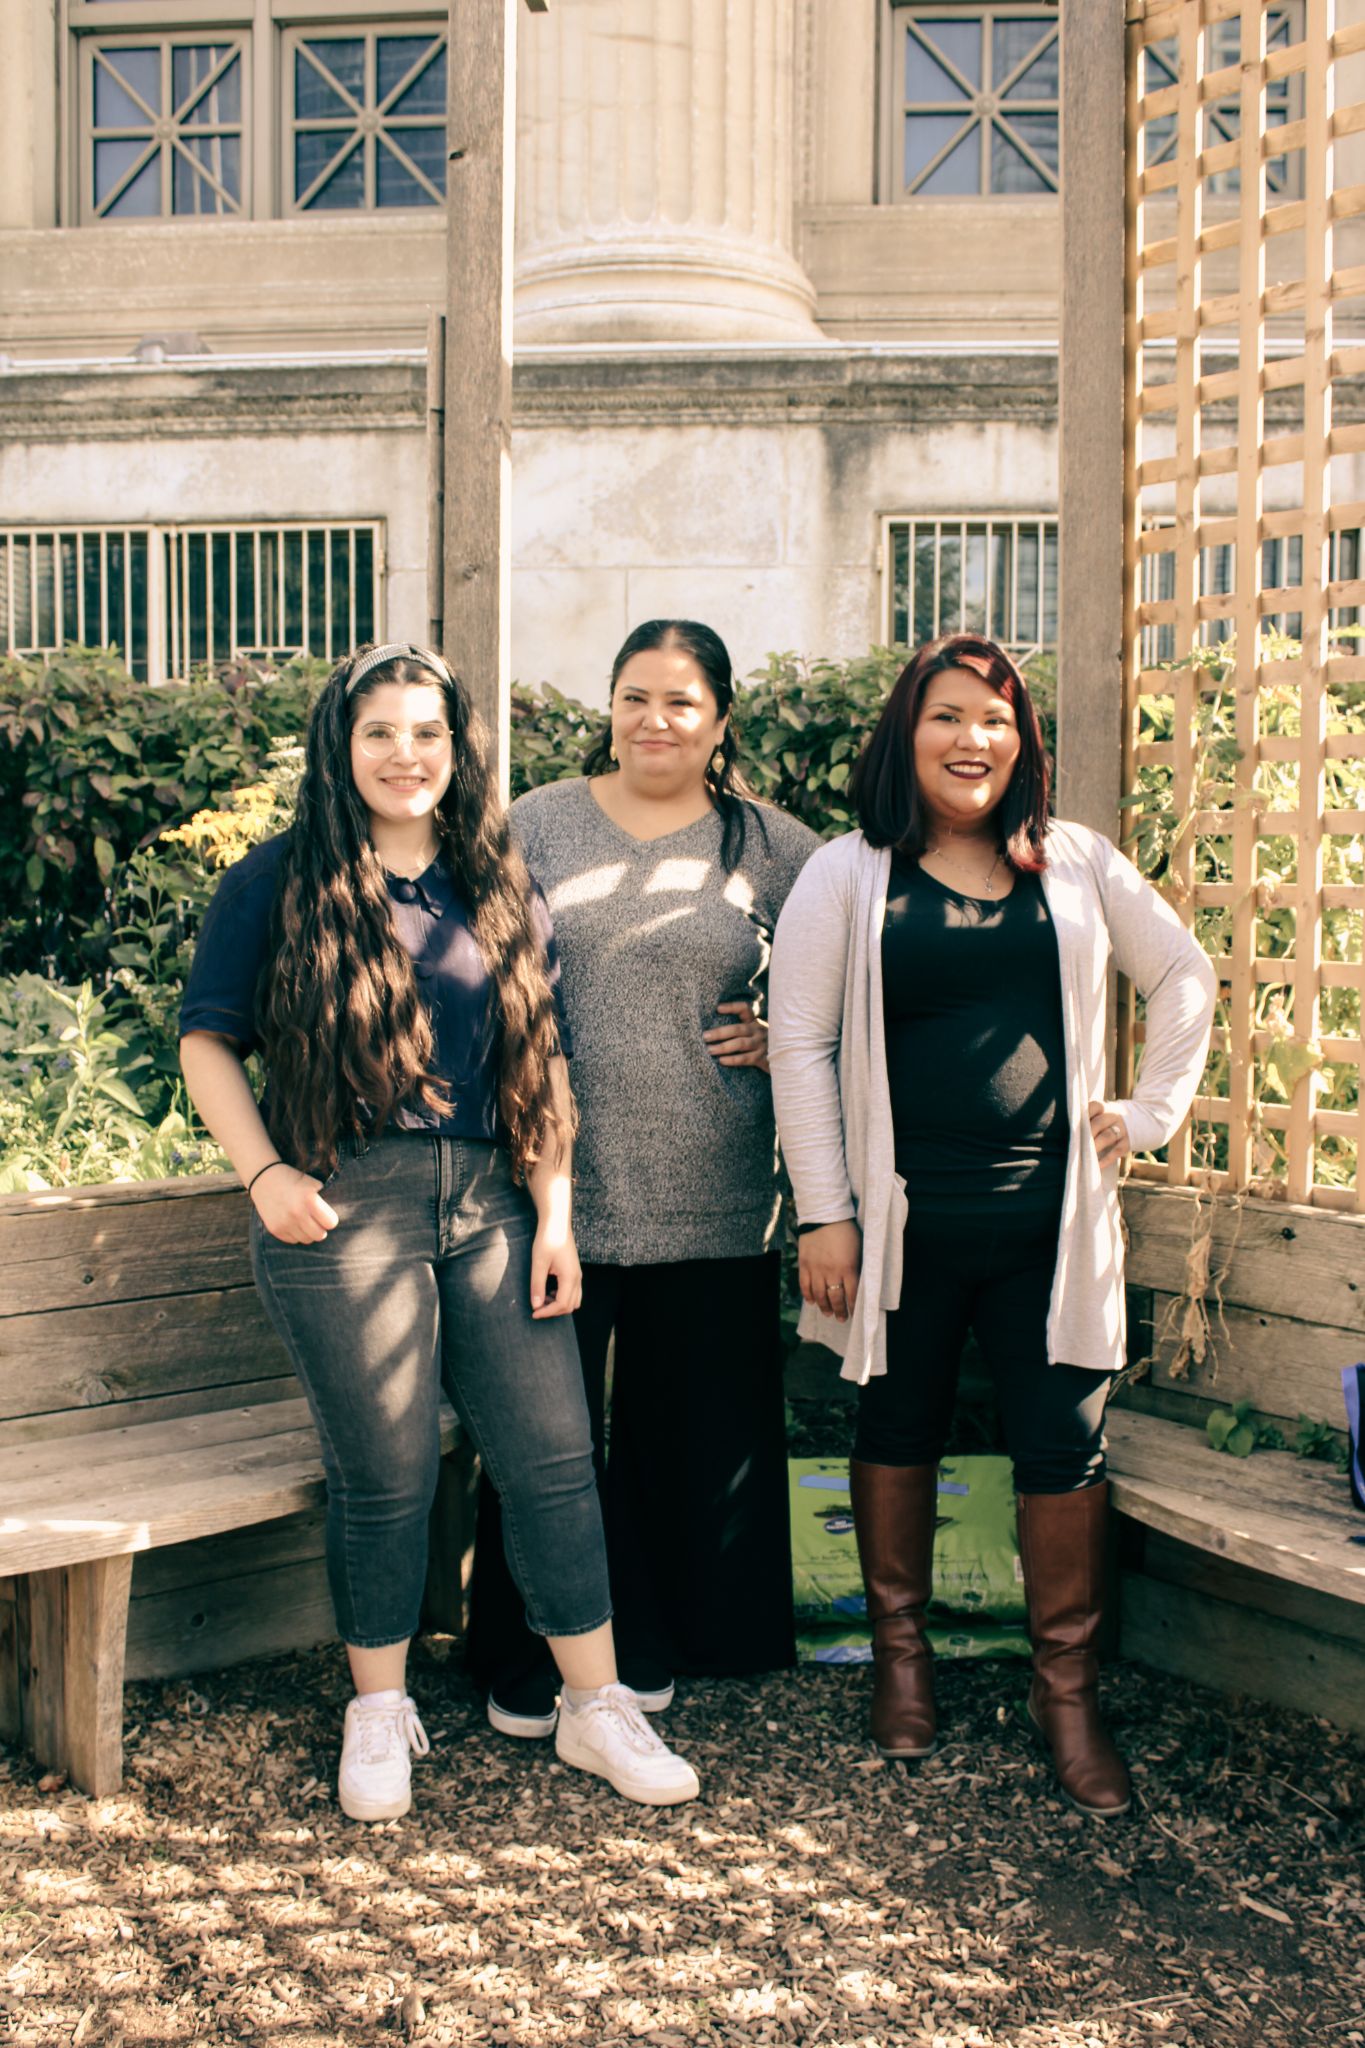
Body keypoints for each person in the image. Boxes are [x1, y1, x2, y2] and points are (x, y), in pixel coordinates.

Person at [179, 642, 701, 1821]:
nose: (405, 755)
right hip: (345, 1201)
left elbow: (540, 1056)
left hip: (494, 1205)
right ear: (341, 746)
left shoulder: (495, 880)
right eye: (380, 733)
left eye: (428, 732)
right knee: (389, 1472)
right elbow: (206, 1037)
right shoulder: (276, 881)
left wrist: (556, 1214)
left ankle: (594, 1704)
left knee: (555, 1457)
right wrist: (261, 1170)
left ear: (458, 748)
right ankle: (378, 1710)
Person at [767, 633, 1215, 1819]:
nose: (974, 738)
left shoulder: (1072, 861)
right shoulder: (849, 872)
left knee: (1063, 1451)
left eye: (998, 719)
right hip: (902, 1230)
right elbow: (799, 1043)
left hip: (1053, 1229)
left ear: (1023, 742)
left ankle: (1065, 1696)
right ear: (906, 735)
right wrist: (827, 1212)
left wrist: (1151, 1109)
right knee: (897, 1424)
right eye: (948, 715)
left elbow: (1183, 972)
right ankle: (901, 1662)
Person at [465, 619, 819, 1736]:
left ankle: (681, 1634)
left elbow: (849, 980)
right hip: (555, 1187)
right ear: (607, 708)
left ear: (720, 719)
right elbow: (485, 979)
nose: (654, 719)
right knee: (546, 1435)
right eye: (633, 697)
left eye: (679, 700)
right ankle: (531, 1649)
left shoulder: (774, 844)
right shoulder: (539, 823)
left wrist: (783, 1030)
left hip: (717, 1183)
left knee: (697, 1430)